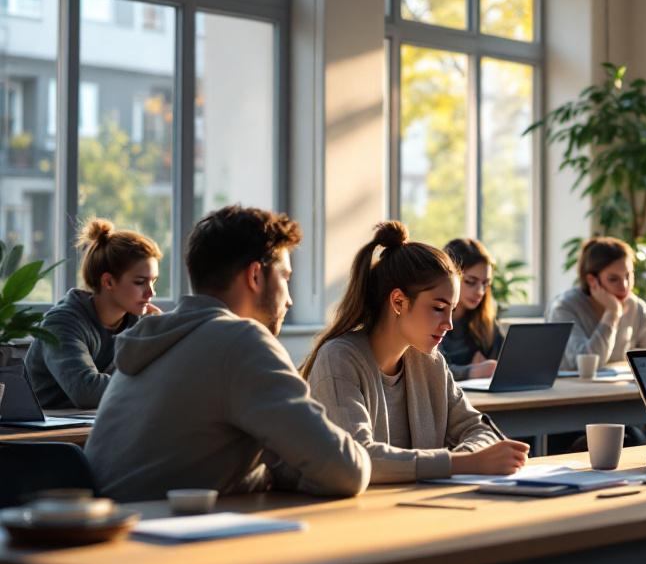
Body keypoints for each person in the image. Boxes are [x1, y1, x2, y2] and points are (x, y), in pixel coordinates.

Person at [85, 205, 370, 503]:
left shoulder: (161, 337)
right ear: (255, 276)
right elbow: (347, 471)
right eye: (285, 277)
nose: (290, 299)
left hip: (116, 531)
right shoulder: (240, 342)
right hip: (161, 537)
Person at [301, 223, 529, 484]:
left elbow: (478, 429)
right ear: (398, 302)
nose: (449, 324)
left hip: (419, 506)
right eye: (438, 308)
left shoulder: (429, 362)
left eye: (451, 310)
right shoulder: (339, 359)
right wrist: (465, 463)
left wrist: (465, 461)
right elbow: (358, 457)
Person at [24, 218, 161, 409]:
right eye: (140, 282)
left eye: (153, 281)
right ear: (108, 282)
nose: (151, 293)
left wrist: (161, 334)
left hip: (102, 423)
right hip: (45, 435)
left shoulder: (141, 321)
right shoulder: (62, 323)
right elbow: (87, 392)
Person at [545, 237, 646, 369]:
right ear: (592, 281)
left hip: (619, 389)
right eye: (613, 279)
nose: (624, 286)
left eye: (628, 276)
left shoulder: (637, 307)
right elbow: (585, 365)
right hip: (575, 388)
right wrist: (612, 314)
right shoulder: (563, 308)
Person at [437, 237, 502, 382]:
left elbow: (500, 364)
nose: (480, 291)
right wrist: (472, 371)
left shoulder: (485, 321)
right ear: (449, 278)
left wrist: (487, 368)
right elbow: (431, 371)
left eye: (486, 284)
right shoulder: (430, 319)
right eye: (470, 282)